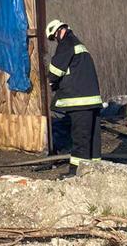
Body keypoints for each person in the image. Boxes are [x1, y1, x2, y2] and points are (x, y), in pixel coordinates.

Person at [46, 19, 102, 177]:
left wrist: (51, 82)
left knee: (80, 139)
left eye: (54, 38)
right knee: (92, 140)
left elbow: (55, 71)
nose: (55, 41)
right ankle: (94, 172)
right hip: (92, 102)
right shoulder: (80, 46)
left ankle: (76, 174)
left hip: (80, 102)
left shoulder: (67, 44)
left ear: (58, 31)